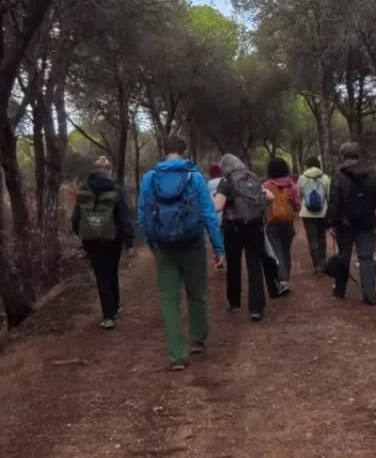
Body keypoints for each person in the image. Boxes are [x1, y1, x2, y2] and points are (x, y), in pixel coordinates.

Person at [137, 136, 224, 370]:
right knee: (197, 293)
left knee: (168, 300)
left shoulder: (149, 178)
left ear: (164, 151)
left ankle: (176, 355)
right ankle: (198, 337)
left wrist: (152, 243)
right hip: (193, 244)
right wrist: (218, 247)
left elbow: (143, 216)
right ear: (183, 151)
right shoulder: (194, 177)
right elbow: (208, 214)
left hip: (164, 247)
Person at [71, 157, 135, 329]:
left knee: (101, 275)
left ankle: (108, 314)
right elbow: (124, 217)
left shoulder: (84, 189)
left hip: (91, 240)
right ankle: (113, 308)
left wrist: (83, 233)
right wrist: (129, 242)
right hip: (112, 239)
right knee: (112, 270)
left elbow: (75, 218)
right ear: (109, 170)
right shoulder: (116, 190)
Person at [213, 153, 271, 320]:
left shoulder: (226, 182)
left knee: (234, 265)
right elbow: (270, 197)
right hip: (255, 226)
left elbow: (218, 207)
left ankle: (235, 302)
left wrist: (214, 198)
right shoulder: (252, 177)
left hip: (234, 228)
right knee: (255, 266)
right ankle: (256, 308)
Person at [326, 141, 376, 305]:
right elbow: (375, 199)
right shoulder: (370, 175)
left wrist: (332, 223)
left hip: (345, 225)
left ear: (343, 156)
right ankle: (369, 294)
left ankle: (340, 291)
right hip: (367, 223)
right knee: (366, 258)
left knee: (344, 257)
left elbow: (334, 202)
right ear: (358, 155)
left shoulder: (338, 176)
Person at [263, 157, 301, 295]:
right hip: (287, 222)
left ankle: (282, 280)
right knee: (285, 251)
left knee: (276, 251)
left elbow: (262, 204)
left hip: (272, 222)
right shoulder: (292, 185)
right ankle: (285, 279)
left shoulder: (266, 186)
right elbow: (297, 205)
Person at [297, 156, 330, 274]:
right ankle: (323, 263)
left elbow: (299, 194)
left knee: (312, 239)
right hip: (323, 213)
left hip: (307, 213)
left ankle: (317, 267)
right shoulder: (326, 178)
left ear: (307, 166)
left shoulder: (301, 178)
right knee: (322, 237)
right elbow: (328, 196)